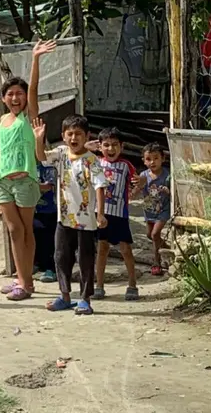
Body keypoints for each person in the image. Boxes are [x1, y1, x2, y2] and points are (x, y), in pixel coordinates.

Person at [0, 39, 57, 301]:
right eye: (10, 94)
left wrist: (36, 58)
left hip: (26, 180)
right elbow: (6, 146)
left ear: (25, 98)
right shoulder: (4, 120)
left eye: (19, 93)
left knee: (25, 229)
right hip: (2, 180)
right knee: (13, 230)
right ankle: (22, 278)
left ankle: (26, 284)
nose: (15, 97)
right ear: (3, 98)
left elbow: (35, 88)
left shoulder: (29, 117)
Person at [34, 115, 107, 316]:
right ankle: (65, 296)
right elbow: (41, 157)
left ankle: (84, 299)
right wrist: (38, 139)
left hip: (86, 221)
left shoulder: (92, 160)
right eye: (70, 134)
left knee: (85, 259)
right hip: (64, 218)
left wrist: (100, 214)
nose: (74, 138)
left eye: (78, 134)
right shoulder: (61, 154)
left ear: (87, 136)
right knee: (61, 257)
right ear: (64, 136)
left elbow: (100, 186)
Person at [87, 128, 139, 302]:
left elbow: (139, 180)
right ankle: (99, 286)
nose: (111, 149)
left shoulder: (126, 166)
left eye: (115, 145)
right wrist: (89, 146)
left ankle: (132, 285)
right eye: (106, 145)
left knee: (125, 250)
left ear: (122, 146)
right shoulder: (95, 162)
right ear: (100, 147)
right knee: (102, 249)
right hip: (100, 213)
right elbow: (78, 152)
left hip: (119, 215)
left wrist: (137, 187)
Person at [133, 143, 170, 276]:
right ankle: (167, 249)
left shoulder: (167, 176)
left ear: (163, 158)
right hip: (149, 210)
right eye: (148, 159)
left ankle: (157, 262)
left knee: (155, 235)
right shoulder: (143, 175)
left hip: (163, 210)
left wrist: (168, 191)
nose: (152, 162)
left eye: (156, 158)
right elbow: (137, 189)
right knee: (151, 235)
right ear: (144, 161)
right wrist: (131, 194)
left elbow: (175, 192)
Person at [33, 159, 58, 283]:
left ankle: (51, 269)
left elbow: (48, 186)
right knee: (34, 237)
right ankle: (37, 264)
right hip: (32, 209)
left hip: (48, 210)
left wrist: (29, 185)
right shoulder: (27, 166)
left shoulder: (48, 167)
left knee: (49, 240)